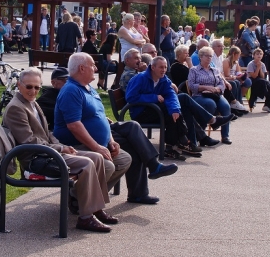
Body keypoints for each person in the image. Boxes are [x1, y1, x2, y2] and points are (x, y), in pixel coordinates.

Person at [53, 53, 177, 205]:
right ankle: (81, 197)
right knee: (131, 143)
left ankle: (140, 187)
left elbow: (98, 114)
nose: (96, 68)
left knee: (132, 130)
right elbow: (74, 126)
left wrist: (110, 139)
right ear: (81, 68)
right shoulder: (72, 90)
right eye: (92, 65)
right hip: (77, 143)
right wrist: (97, 147)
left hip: (101, 136)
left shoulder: (88, 88)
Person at [4, 67, 115, 232]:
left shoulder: (32, 103)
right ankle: (85, 218)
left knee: (98, 158)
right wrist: (60, 147)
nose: (33, 91)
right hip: (36, 159)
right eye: (29, 87)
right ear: (19, 85)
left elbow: (47, 132)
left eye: (37, 87)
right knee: (87, 164)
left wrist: (60, 146)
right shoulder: (16, 108)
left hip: (48, 152)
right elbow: (29, 141)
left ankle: (95, 208)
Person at [125, 56, 202, 159]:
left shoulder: (163, 79)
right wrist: (154, 97)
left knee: (172, 112)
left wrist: (175, 109)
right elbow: (130, 97)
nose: (164, 70)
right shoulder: (140, 78)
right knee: (167, 110)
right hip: (140, 112)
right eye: (161, 67)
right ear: (153, 67)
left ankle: (171, 148)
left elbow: (171, 94)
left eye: (165, 67)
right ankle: (182, 141)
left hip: (153, 109)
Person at [188, 46, 236, 144]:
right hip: (199, 95)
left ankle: (225, 136)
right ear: (201, 57)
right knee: (210, 104)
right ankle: (202, 136)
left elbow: (221, 83)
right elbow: (191, 85)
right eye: (207, 56)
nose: (209, 58)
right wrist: (206, 87)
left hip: (215, 94)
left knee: (225, 106)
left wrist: (217, 89)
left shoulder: (215, 70)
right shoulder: (194, 70)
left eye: (211, 56)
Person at [246, 48, 270, 113]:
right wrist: (258, 68)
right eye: (257, 54)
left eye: (260, 54)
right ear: (254, 55)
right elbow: (254, 76)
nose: (259, 55)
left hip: (261, 80)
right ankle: (256, 99)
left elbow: (262, 76)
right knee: (261, 83)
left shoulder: (263, 64)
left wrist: (260, 68)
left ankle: (268, 105)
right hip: (252, 80)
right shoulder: (251, 64)